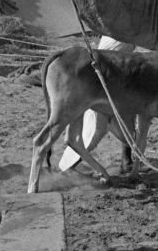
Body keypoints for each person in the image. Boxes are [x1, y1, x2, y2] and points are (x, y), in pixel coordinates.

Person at [58, 35, 137, 172]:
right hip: (101, 84)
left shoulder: (128, 30)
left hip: (117, 82)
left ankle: (127, 162)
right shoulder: (117, 33)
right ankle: (66, 169)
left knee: (128, 127)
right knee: (94, 131)